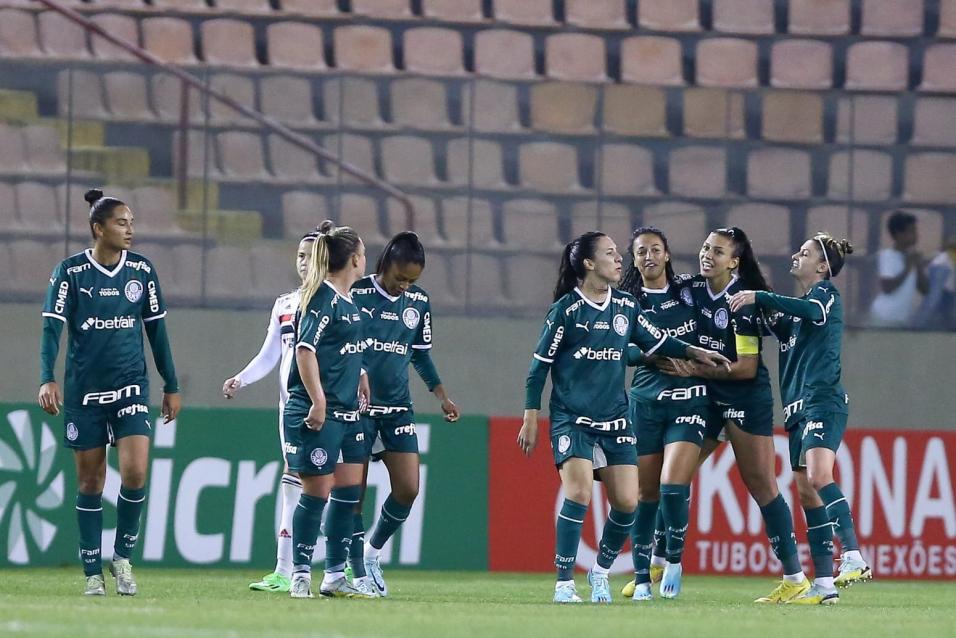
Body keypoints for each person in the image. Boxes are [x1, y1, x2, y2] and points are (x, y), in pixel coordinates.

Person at [517, 231, 731, 604]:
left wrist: (697, 352)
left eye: (619, 253)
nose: (620, 260)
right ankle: (564, 583)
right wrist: (530, 417)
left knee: (629, 502)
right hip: (572, 418)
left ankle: (600, 572)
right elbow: (539, 370)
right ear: (588, 264)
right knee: (580, 492)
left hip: (616, 419)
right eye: (611, 253)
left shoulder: (627, 307)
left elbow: (659, 341)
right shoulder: (566, 310)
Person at [38, 188, 180, 596]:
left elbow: (157, 331)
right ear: (98, 228)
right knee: (91, 482)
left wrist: (171, 384)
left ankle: (122, 558)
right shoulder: (69, 273)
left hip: (131, 385)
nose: (130, 229)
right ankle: (91, 572)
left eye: (132, 222)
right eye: (121, 222)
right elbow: (51, 327)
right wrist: (46, 377)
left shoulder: (142, 271)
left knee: (135, 472)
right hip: (84, 392)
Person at [664, 227, 810, 603]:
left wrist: (695, 369)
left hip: (745, 397)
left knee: (762, 485)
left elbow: (746, 368)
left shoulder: (742, 302)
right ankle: (658, 568)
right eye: (705, 247)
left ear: (734, 262)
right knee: (671, 480)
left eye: (718, 251)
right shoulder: (690, 288)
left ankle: (795, 578)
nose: (707, 255)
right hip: (704, 398)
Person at [730, 233, 870, 603]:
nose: (796, 255)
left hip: (822, 401)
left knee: (820, 475)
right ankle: (824, 586)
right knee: (808, 493)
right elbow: (777, 322)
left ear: (823, 267)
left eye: (805, 253)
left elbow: (809, 312)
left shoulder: (824, 296)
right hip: (797, 410)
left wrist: (760, 296)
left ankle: (854, 555)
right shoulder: (797, 314)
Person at [348, 232, 460, 597]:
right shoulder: (356, 293)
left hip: (398, 408)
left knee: (408, 488)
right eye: (400, 277)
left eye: (412, 280)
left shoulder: (418, 302)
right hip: (358, 408)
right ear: (385, 264)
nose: (404, 286)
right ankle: (354, 571)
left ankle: (370, 553)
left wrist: (441, 393)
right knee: (354, 494)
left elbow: (420, 353)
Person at [283, 220, 374, 599]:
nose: (366, 259)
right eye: (364, 253)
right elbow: (305, 350)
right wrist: (318, 400)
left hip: (349, 412)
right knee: (316, 491)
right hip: (317, 412)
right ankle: (300, 572)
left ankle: (334, 575)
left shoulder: (348, 300)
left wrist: (361, 373)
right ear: (354, 259)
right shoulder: (321, 296)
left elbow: (338, 350)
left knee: (348, 493)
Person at [222, 232, 316, 593]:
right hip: (290, 406)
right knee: (294, 479)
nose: (304, 262)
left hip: (331, 406)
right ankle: (284, 569)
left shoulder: (336, 302)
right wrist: (241, 379)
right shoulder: (285, 304)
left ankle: (346, 567)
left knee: (330, 484)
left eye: (310, 256)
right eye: (300, 255)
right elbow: (270, 354)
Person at [618, 227, 708, 601]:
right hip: (646, 402)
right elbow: (618, 352)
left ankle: (673, 560)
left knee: (673, 485)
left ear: (668, 254)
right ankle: (641, 579)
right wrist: (651, 356)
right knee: (645, 492)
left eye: (656, 249)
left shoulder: (690, 291)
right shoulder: (624, 302)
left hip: (690, 399)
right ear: (634, 259)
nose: (649, 256)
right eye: (642, 252)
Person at [869, 211, 928, 328]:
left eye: (915, 231)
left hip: (902, 319)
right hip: (884, 317)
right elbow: (887, 287)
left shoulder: (912, 257)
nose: (916, 235)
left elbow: (924, 290)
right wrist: (908, 267)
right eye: (911, 231)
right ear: (898, 234)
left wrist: (919, 267)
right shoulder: (888, 256)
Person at [913, 236, 956, 331]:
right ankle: (916, 327)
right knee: (933, 299)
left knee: (948, 305)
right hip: (943, 267)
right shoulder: (943, 258)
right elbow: (950, 242)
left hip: (950, 276)